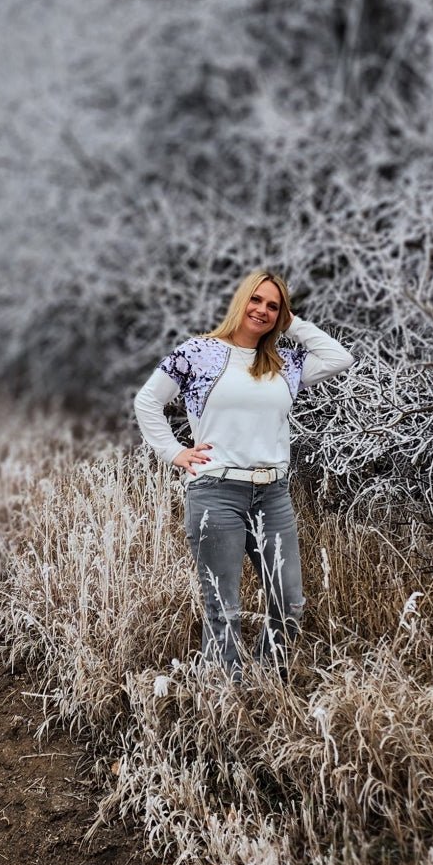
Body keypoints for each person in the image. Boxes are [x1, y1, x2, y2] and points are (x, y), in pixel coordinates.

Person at [133, 269, 353, 679]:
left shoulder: (286, 363)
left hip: (273, 496)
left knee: (289, 604)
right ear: (241, 301)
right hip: (216, 493)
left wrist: (294, 323)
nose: (263, 310)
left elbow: (341, 358)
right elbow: (148, 401)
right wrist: (174, 451)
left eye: (273, 305)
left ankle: (268, 686)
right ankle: (226, 702)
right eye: (256, 300)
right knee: (224, 608)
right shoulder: (199, 352)